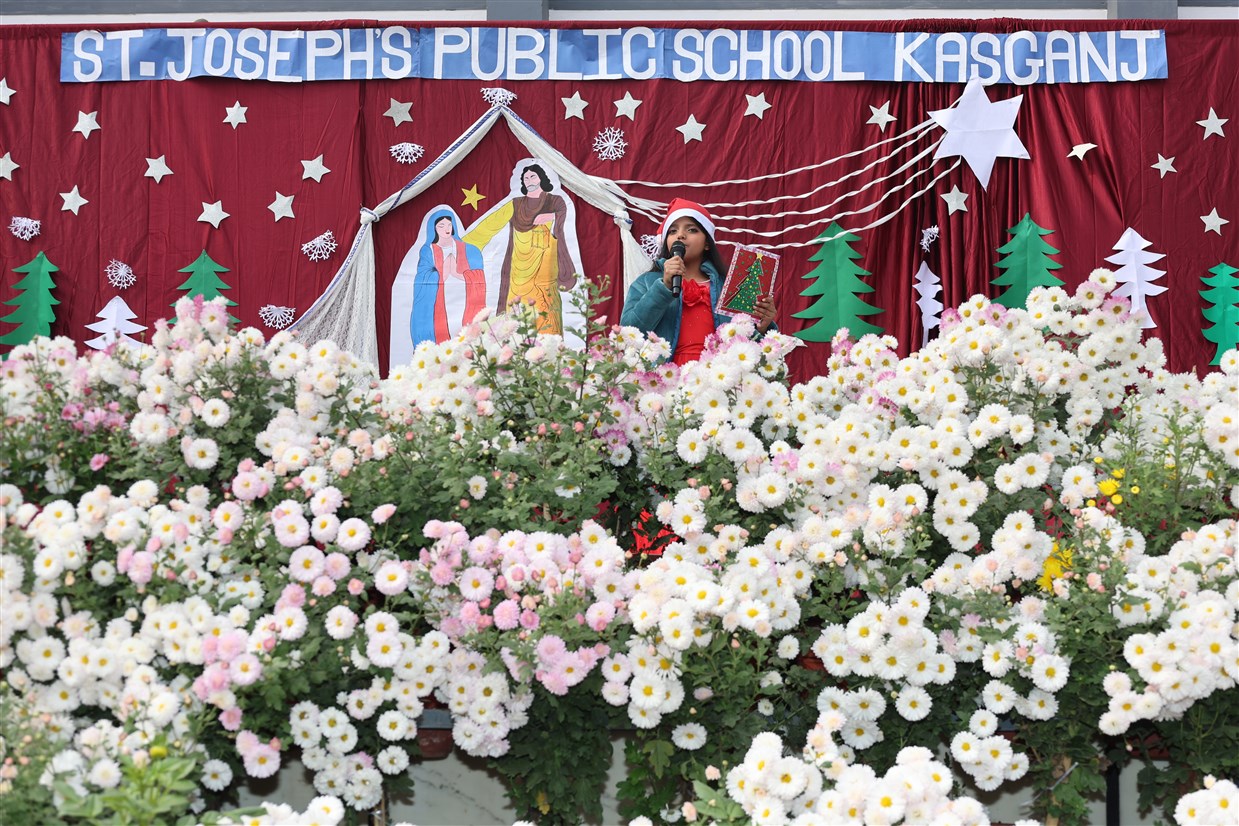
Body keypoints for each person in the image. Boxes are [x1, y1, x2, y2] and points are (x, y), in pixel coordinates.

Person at [621, 198, 777, 365]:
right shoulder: (646, 282)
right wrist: (663, 287)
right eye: (673, 231)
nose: (680, 235)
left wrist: (763, 327)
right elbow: (629, 332)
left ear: (707, 243)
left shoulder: (729, 286)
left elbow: (748, 350)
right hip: (667, 375)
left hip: (718, 374)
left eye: (692, 229)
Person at [466, 163, 577, 335]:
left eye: (533, 176)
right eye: (526, 178)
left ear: (541, 178)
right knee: (516, 315)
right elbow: (488, 226)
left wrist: (552, 216)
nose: (529, 180)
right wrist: (464, 247)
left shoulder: (555, 201)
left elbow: (562, 219)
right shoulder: (516, 204)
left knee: (546, 312)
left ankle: (550, 347)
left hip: (545, 270)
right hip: (518, 272)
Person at [411, 208, 487, 344]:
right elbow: (422, 278)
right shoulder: (428, 251)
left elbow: (479, 276)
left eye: (449, 225)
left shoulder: (470, 249)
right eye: (441, 226)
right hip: (439, 303)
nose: (446, 229)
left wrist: (459, 275)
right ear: (434, 229)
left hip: (463, 300)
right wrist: (442, 273)